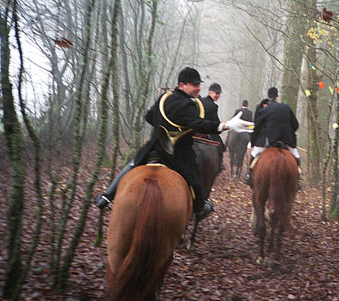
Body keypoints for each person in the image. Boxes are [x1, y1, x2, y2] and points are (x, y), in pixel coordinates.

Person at [94, 67, 252, 220]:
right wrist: (225, 126)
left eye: (199, 84)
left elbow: (149, 116)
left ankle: (106, 197)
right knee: (195, 178)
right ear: (182, 85)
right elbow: (199, 124)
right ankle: (199, 208)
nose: (198, 88)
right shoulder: (188, 104)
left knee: (133, 164)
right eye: (194, 85)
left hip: (155, 146)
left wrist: (165, 125)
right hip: (177, 152)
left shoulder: (164, 98)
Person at [245, 87, 300, 187]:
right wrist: (290, 134)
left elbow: (256, 127)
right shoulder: (286, 107)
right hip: (286, 140)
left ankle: (249, 176)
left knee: (254, 154)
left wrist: (253, 142)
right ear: (276, 97)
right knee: (296, 156)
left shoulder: (264, 109)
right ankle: (297, 181)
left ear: (268, 96)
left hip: (267, 140)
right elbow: (295, 125)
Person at [199, 83, 226, 156]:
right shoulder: (214, 106)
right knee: (221, 148)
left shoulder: (200, 100)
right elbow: (216, 123)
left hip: (196, 130)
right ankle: (220, 165)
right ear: (209, 92)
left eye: (219, 93)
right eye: (216, 93)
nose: (218, 95)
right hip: (207, 131)